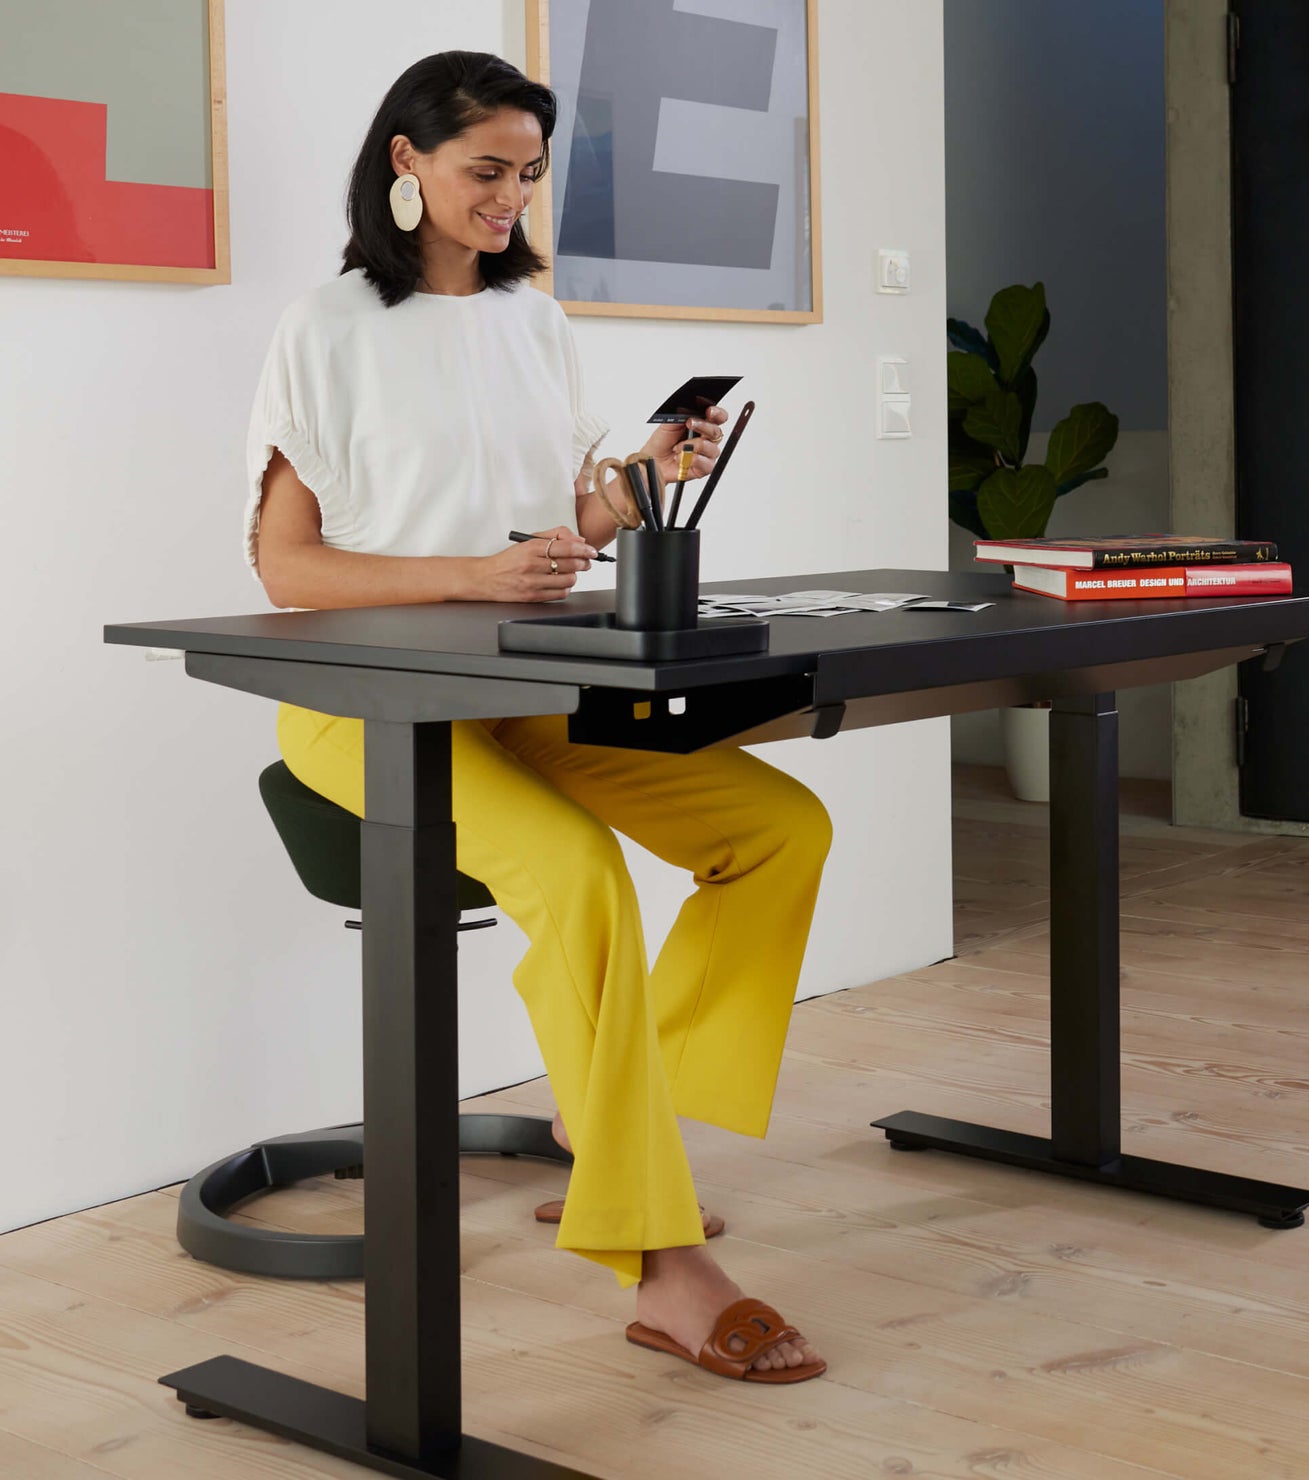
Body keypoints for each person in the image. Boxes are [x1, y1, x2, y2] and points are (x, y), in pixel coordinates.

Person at [247, 51, 829, 1385]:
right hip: (364, 704)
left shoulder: (536, 324)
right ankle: (666, 1268)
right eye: (482, 171)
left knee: (777, 831)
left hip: (521, 686)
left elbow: (561, 526)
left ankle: (608, 1133)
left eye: (526, 174)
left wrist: (634, 488)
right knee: (577, 876)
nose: (509, 198)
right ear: (407, 162)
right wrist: (472, 572)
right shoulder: (325, 327)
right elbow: (287, 571)